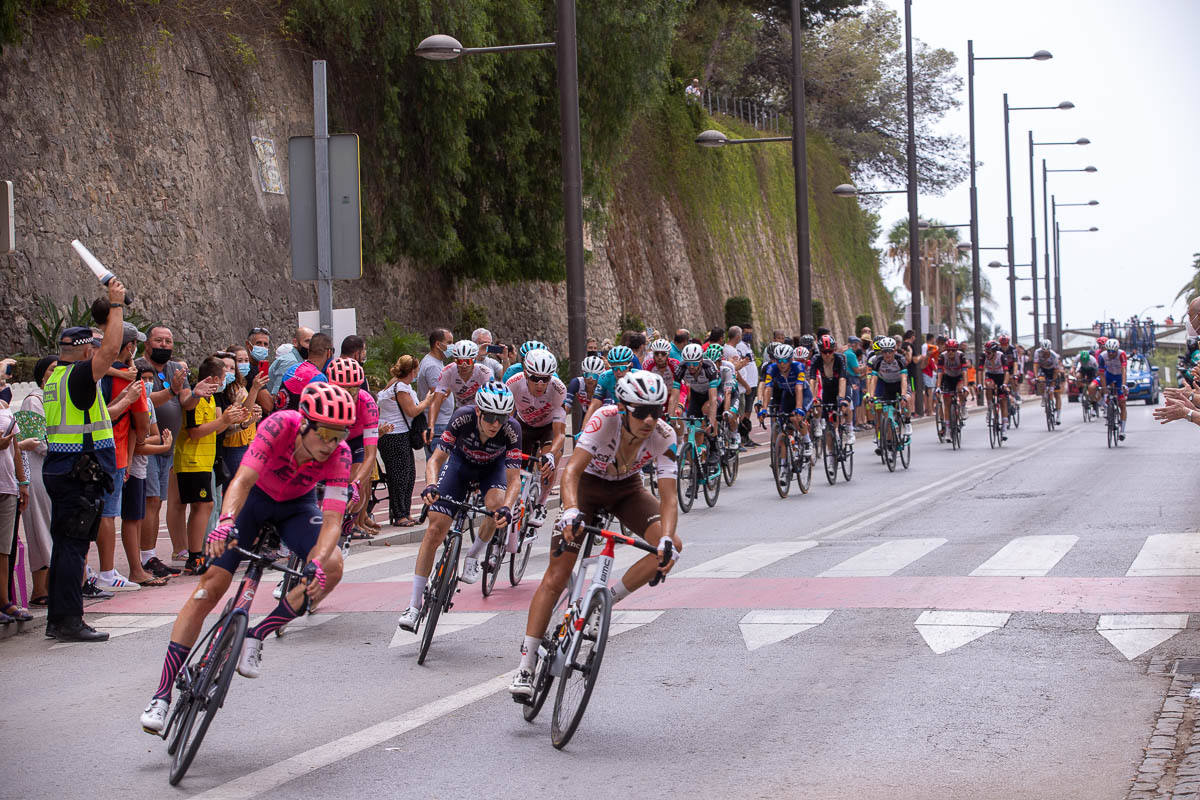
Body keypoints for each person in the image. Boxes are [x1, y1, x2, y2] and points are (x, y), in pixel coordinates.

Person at [139, 382, 356, 734]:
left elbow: (332, 520)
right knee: (210, 588)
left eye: (340, 435)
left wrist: (316, 562)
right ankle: (161, 696)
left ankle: (258, 633)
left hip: (296, 508)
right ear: (304, 424)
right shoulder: (279, 425)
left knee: (332, 567)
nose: (331, 444)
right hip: (254, 500)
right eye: (326, 434)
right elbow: (241, 480)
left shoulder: (340, 455)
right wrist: (225, 522)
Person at [510, 370, 680, 698]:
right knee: (557, 575)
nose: (649, 419)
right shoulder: (604, 419)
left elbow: (669, 498)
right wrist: (571, 510)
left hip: (627, 490)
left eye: (656, 410)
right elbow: (571, 472)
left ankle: (606, 601)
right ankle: (526, 665)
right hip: (587, 487)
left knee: (671, 547)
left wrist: (667, 538)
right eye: (642, 411)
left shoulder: (665, 435)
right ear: (624, 408)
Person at [41, 280, 127, 642]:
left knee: (65, 546)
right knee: (73, 548)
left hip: (64, 470)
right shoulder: (78, 377)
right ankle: (69, 621)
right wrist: (116, 305)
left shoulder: (57, 378)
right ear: (84, 350)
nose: (98, 352)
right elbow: (112, 350)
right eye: (93, 347)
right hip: (78, 473)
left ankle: (59, 619)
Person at [397, 382, 522, 631]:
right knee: (435, 529)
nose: (495, 423)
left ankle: (473, 555)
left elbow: (514, 479)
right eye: (490, 417)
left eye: (501, 418)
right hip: (459, 466)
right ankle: (414, 605)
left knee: (496, 506)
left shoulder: (512, 430)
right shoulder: (462, 418)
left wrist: (508, 508)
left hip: (492, 471)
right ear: (478, 411)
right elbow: (435, 459)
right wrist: (431, 485)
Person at [136, 324, 219, 568]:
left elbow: (185, 401)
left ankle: (154, 555)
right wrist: (172, 390)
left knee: (160, 501)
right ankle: (147, 557)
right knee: (151, 500)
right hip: (146, 443)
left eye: (168, 341)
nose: (164, 345)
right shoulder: (139, 367)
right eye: (159, 340)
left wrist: (195, 394)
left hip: (169, 446)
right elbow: (142, 400)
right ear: (147, 344)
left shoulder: (176, 368)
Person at [175, 356, 250, 574]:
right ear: (215, 379)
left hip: (205, 459)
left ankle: (199, 552)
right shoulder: (195, 399)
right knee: (203, 505)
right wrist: (223, 420)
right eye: (224, 376)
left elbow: (216, 429)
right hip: (192, 459)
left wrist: (231, 419)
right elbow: (195, 432)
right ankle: (195, 555)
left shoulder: (211, 399)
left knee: (207, 506)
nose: (226, 380)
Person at [506, 349, 567, 530]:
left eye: (545, 379)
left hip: (548, 428)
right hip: (523, 425)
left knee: (548, 461)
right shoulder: (514, 384)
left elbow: (560, 434)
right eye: (535, 378)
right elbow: (506, 418)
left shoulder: (558, 389)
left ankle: (541, 504)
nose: (540, 384)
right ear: (526, 374)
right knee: (514, 465)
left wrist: (551, 455)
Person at [16, 356, 57, 606]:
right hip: (38, 472)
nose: (56, 373)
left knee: (50, 526)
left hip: (54, 470)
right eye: (52, 370)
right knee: (41, 526)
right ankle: (41, 589)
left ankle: (47, 588)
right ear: (42, 375)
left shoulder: (57, 400)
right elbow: (38, 441)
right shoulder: (34, 401)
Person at [376, 355, 432, 527]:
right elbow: (412, 411)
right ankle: (399, 515)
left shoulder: (397, 383)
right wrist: (427, 401)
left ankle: (405, 512)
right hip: (393, 436)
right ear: (412, 371)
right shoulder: (400, 387)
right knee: (399, 477)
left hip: (400, 435)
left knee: (409, 475)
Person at [326, 358, 380, 535]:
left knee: (355, 479)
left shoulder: (368, 403)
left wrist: (356, 484)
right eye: (342, 390)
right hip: (332, 439)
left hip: (356, 441)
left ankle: (349, 523)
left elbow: (370, 455)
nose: (348, 396)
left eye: (353, 390)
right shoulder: (322, 399)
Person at [0, 392, 30, 624]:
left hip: (7, 486)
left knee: (4, 550)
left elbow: (15, 449)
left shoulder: (3, 407)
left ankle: (4, 601)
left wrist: (22, 482)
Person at [755, 343, 813, 459]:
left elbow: (799, 388)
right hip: (787, 395)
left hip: (803, 394)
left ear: (791, 359)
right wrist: (764, 409)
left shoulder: (798, 367)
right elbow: (768, 388)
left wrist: (799, 408)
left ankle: (807, 442)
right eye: (779, 360)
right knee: (782, 425)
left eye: (785, 360)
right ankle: (784, 463)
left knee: (796, 418)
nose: (782, 364)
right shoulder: (772, 368)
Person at [674, 343, 722, 470]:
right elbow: (674, 395)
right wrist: (671, 415)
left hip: (713, 392)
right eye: (688, 363)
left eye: (694, 363)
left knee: (707, 409)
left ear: (701, 361)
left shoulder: (709, 367)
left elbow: (713, 399)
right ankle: (696, 469)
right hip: (696, 394)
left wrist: (711, 421)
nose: (691, 366)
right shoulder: (681, 368)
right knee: (692, 429)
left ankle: (714, 446)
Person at [866, 337, 911, 454]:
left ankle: (907, 422)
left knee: (906, 399)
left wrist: (903, 395)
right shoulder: (878, 361)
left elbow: (904, 379)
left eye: (890, 351)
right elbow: (873, 379)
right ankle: (890, 442)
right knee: (887, 414)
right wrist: (871, 396)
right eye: (885, 351)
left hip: (900, 383)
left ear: (894, 351)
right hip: (887, 385)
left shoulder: (900, 359)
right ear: (881, 352)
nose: (887, 354)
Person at [417, 328, 454, 454]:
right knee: (437, 462)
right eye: (449, 343)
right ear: (438, 344)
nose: (452, 346)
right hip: (438, 423)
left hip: (441, 421)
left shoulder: (435, 362)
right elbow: (440, 395)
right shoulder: (432, 366)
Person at [276, 332, 332, 412]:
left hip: (279, 417)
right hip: (300, 419)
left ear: (308, 350)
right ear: (329, 353)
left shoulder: (291, 369)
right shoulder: (320, 379)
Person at [1097, 338, 1129, 440]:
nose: (1111, 354)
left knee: (1122, 403)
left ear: (1117, 350)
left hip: (1119, 377)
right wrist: (1104, 389)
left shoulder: (1122, 354)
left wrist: (1123, 385)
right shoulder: (1102, 356)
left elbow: (1124, 370)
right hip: (1109, 375)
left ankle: (1122, 431)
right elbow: (1101, 374)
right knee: (1099, 390)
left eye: (1113, 352)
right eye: (1109, 351)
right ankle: (1106, 407)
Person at [267, 326, 311, 396]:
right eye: (307, 341)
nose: (311, 346)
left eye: (313, 342)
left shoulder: (297, 360)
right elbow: (278, 395)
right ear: (295, 342)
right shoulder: (291, 362)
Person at [980, 341, 1011, 441]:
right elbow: (980, 371)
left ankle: (1004, 428)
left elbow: (1007, 372)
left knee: (1003, 402)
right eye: (986, 352)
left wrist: (1005, 384)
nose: (987, 354)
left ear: (994, 352)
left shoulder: (1001, 356)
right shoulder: (983, 356)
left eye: (989, 352)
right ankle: (990, 407)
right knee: (988, 386)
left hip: (1001, 376)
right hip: (990, 375)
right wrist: (979, 384)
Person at [1031, 338, 1064, 426]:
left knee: (1057, 394)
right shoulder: (1037, 352)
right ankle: (1043, 396)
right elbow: (1035, 365)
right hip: (1043, 370)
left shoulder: (1054, 356)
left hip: (1053, 371)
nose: (1045, 353)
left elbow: (1056, 371)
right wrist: (1036, 376)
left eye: (1047, 352)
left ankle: (1058, 416)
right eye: (1043, 351)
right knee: (1040, 380)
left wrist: (1052, 385)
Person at [245, 326, 275, 413]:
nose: (262, 347)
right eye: (258, 343)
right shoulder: (248, 370)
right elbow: (268, 406)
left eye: (265, 344)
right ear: (248, 344)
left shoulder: (259, 367)